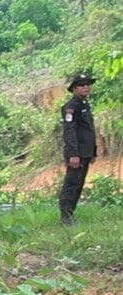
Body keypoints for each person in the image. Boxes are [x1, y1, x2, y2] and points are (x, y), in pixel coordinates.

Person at [59, 73, 97, 226]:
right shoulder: (71, 107)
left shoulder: (84, 104)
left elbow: (89, 130)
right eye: (82, 85)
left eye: (88, 84)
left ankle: (70, 214)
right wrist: (74, 154)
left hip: (85, 151)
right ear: (74, 89)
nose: (86, 87)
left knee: (79, 184)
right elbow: (70, 131)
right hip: (76, 152)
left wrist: (93, 151)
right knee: (72, 184)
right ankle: (65, 216)